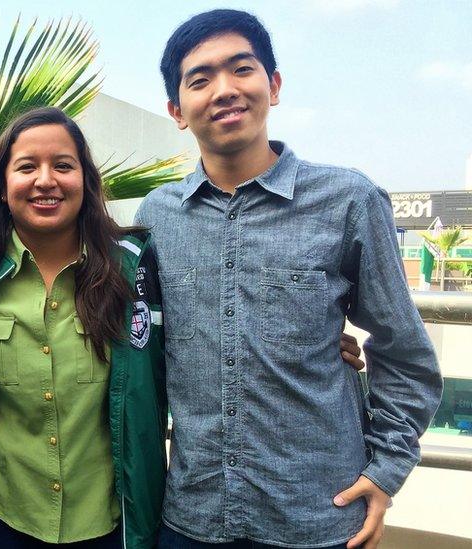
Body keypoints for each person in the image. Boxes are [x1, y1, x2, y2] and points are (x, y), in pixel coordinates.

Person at [135, 9, 442, 549]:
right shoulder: (156, 216)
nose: (224, 90)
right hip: (192, 518)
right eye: (200, 80)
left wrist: (387, 469)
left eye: (242, 70)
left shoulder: (348, 200)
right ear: (176, 110)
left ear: (273, 86)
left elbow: (404, 351)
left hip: (318, 518)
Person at [0, 107, 169, 548]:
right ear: (3, 188)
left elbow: (204, 331)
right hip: (3, 520)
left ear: (85, 180)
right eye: (27, 166)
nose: (45, 180)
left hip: (109, 522)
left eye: (63, 165)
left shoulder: (136, 267)